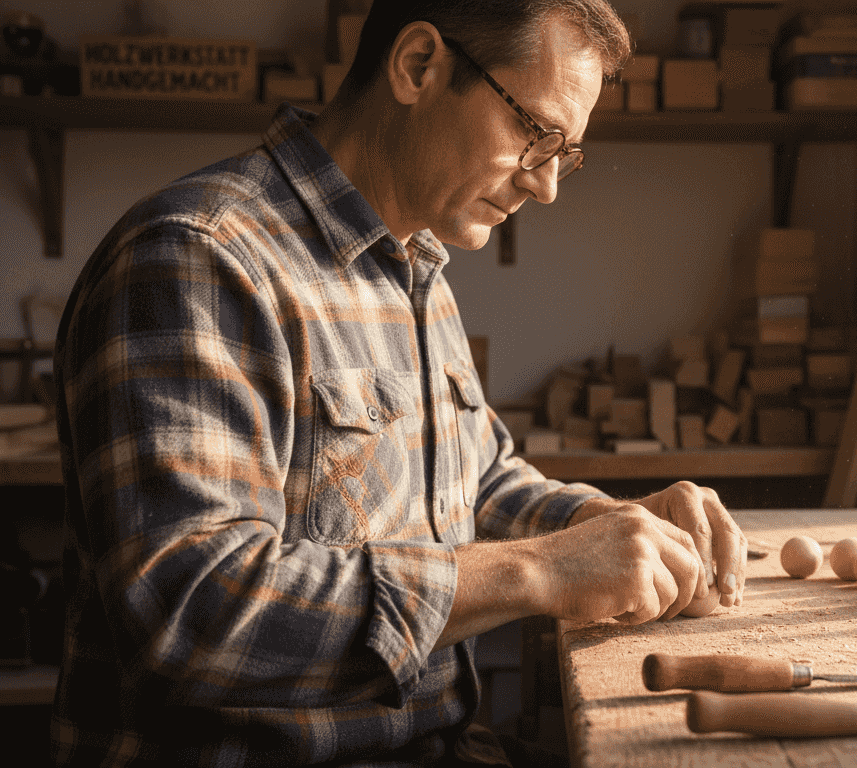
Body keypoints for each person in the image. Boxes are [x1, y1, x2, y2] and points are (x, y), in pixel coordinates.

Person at [51, 1, 747, 765]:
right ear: (419, 66)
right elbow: (192, 615)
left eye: (565, 153)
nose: (547, 185)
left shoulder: (415, 264)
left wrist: (610, 523)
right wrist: (543, 569)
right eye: (536, 134)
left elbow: (479, 481)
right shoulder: (199, 259)